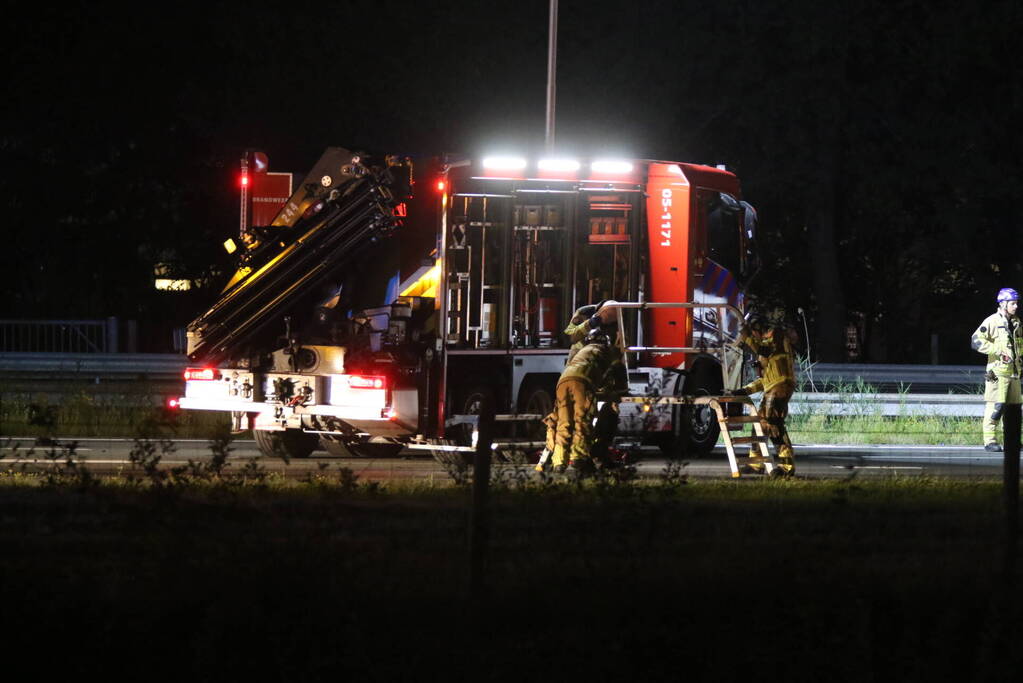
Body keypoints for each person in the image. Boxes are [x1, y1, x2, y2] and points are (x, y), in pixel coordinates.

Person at [544, 324, 628, 473]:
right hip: (582, 383)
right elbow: (617, 372)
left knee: (564, 422)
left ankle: (559, 462)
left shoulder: (582, 351)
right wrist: (615, 390)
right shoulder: (605, 351)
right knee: (582, 421)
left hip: (562, 382)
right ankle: (578, 459)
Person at [732, 312, 799, 476]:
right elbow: (765, 380)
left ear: (758, 328)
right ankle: (756, 463)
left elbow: (764, 350)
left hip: (781, 386)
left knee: (773, 422)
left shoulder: (775, 335)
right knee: (759, 424)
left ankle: (787, 466)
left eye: (753, 331)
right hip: (773, 387)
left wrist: (747, 338)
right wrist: (744, 390)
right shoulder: (767, 353)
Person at [971, 288, 1022, 451]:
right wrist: (996, 350)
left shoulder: (1017, 322)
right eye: (1013, 303)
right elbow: (975, 340)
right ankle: (990, 441)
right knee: (996, 407)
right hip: (998, 373)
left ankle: (1012, 440)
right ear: (1003, 304)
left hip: (1014, 374)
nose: (1016, 306)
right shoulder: (992, 321)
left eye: (1016, 303)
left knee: (1014, 410)